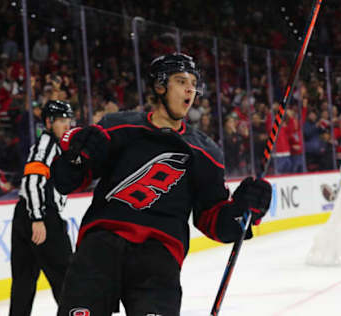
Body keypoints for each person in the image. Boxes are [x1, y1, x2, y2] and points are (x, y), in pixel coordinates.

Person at [52, 53, 272, 316]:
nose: (190, 89)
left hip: (158, 257)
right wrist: (72, 157)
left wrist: (243, 212)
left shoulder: (206, 152)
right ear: (159, 86)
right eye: (181, 81)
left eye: (193, 82)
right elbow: (68, 181)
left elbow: (213, 220)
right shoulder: (117, 127)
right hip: (100, 247)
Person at [9, 100, 74, 316]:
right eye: (62, 121)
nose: (67, 126)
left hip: (25, 215)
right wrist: (38, 218)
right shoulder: (46, 145)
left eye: (69, 120)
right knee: (67, 278)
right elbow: (32, 181)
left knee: (23, 282)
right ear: (48, 122)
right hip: (41, 216)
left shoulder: (51, 145)